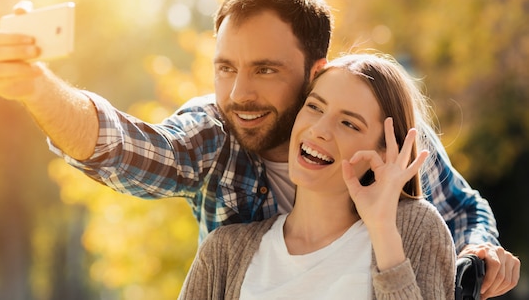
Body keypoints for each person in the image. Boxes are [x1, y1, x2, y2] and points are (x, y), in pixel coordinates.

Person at [0, 0, 519, 298]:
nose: (239, 94)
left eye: (265, 70)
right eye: (225, 68)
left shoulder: (391, 150)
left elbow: (460, 210)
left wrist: (480, 253)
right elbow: (126, 148)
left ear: (315, 70)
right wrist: (37, 89)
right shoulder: (217, 142)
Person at [178, 53, 456, 299]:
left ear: (385, 153)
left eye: (349, 123)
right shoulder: (223, 253)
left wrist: (383, 231)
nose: (320, 129)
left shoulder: (414, 227)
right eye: (314, 107)